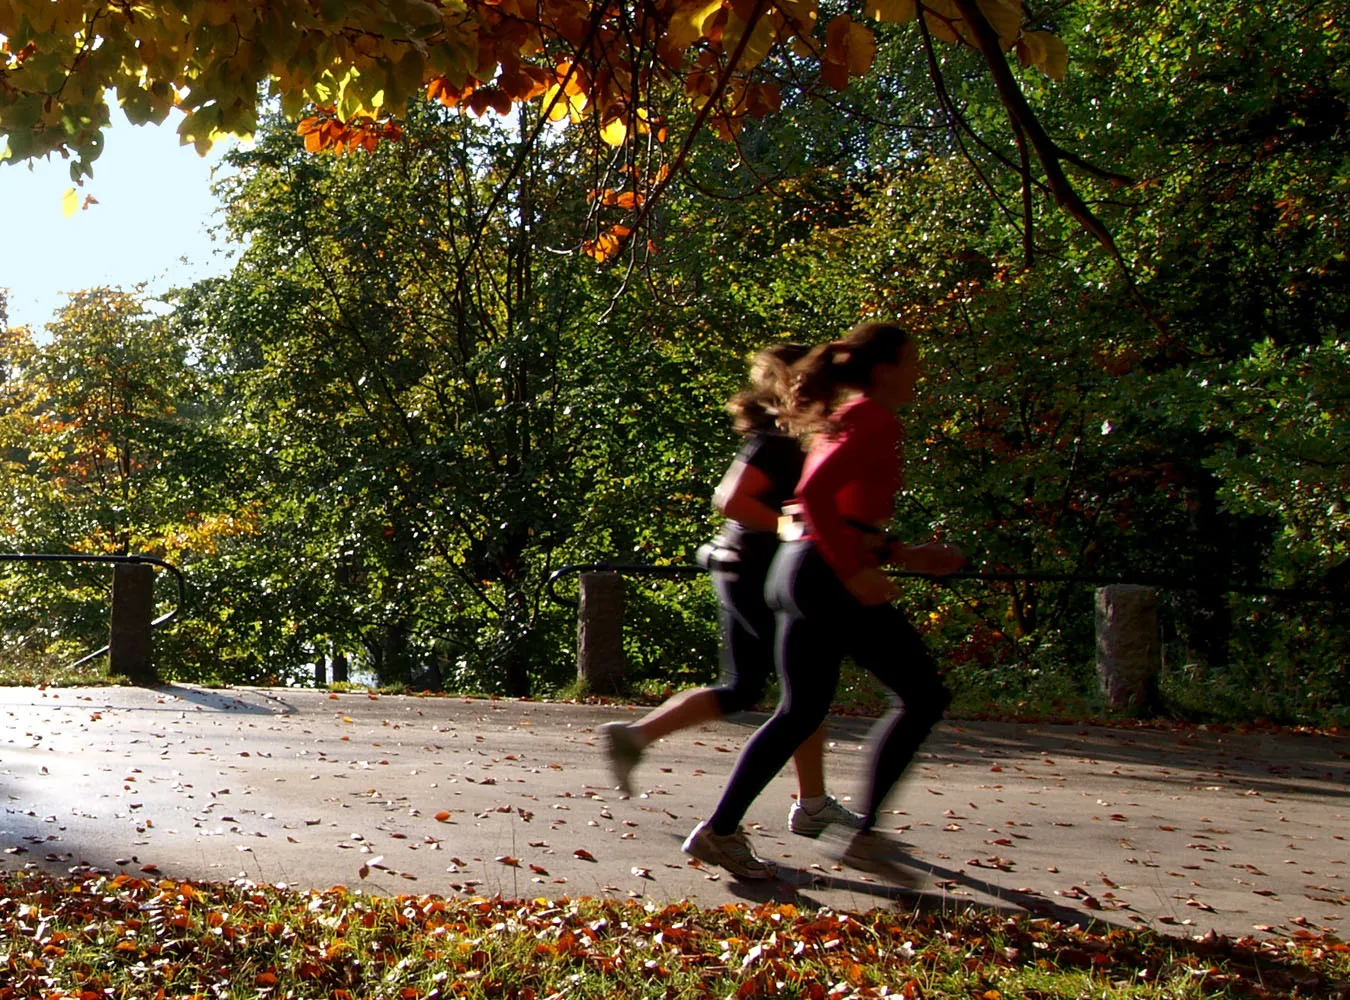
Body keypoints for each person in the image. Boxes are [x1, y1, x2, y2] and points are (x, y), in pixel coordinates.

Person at [681, 321, 965, 879]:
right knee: (923, 695)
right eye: (913, 361)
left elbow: (837, 514)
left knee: (800, 710)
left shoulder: (845, 420)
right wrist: (856, 572)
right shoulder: (872, 419)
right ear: (885, 370)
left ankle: (719, 832)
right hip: (826, 576)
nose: (920, 370)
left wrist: (903, 553)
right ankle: (862, 838)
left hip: (799, 569)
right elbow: (815, 498)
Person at [599, 344, 860, 868]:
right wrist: (797, 530)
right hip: (755, 570)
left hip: (756, 568)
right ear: (797, 381)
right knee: (780, 691)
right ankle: (641, 739)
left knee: (795, 690)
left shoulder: (791, 434)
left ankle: (810, 803)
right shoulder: (779, 437)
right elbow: (732, 499)